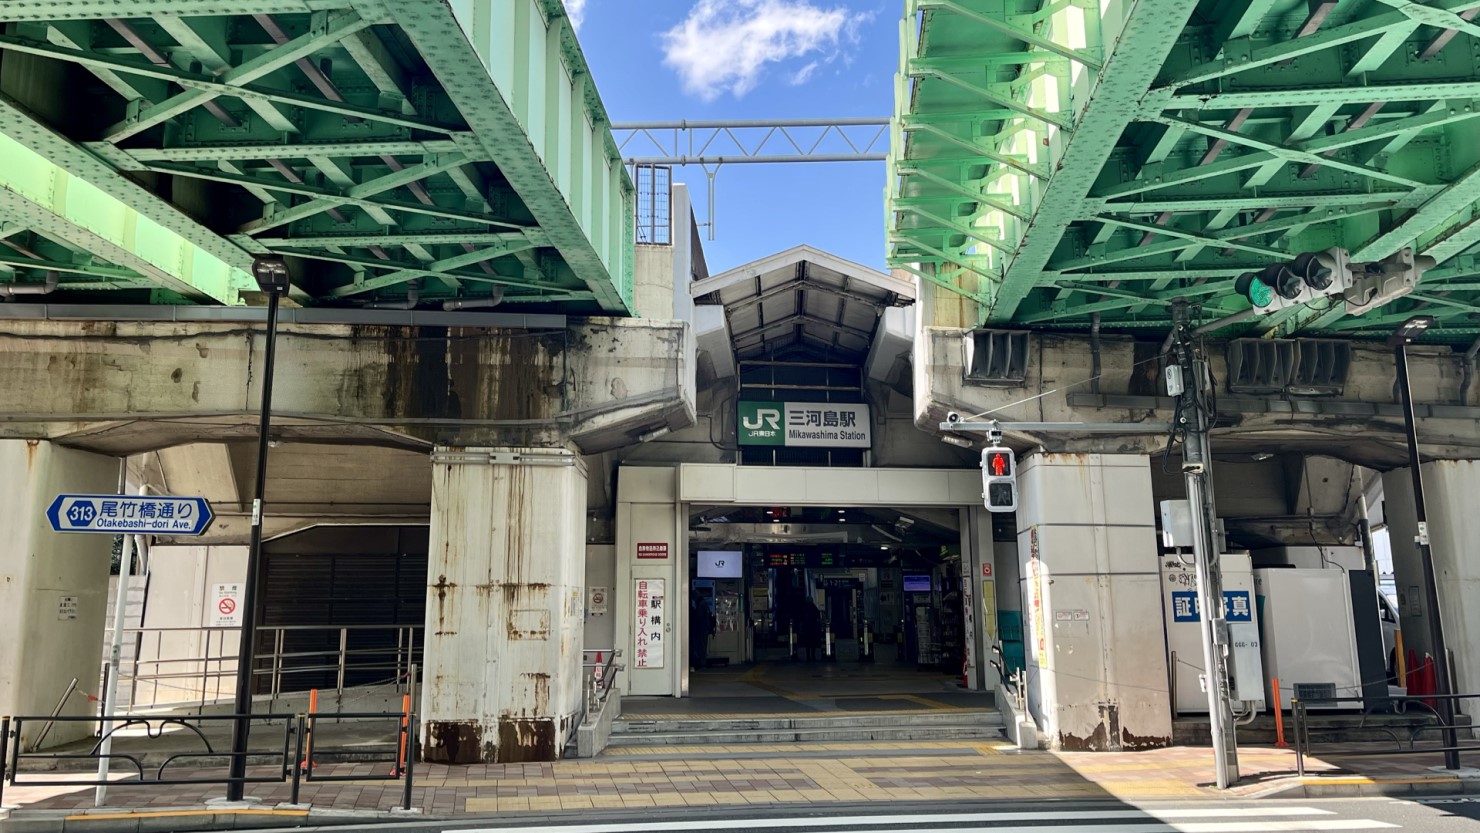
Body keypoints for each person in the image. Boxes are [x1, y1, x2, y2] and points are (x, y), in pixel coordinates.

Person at [690, 596, 715, 670]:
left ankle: (702, 663)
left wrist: (694, 611)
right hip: (705, 628)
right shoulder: (704, 604)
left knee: (701, 646)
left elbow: (699, 617)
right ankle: (703, 662)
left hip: (701, 629)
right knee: (703, 645)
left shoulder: (700, 605)